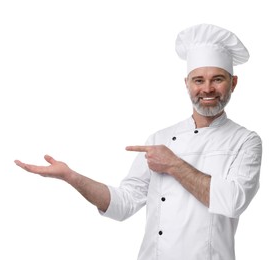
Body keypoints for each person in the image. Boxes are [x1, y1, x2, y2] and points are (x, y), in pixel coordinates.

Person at [15, 24, 262, 260]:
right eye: (198, 80)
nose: (207, 89)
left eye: (217, 79)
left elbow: (232, 202)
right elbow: (124, 203)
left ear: (234, 83)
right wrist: (72, 177)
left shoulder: (245, 141)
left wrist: (173, 164)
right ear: (186, 84)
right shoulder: (160, 139)